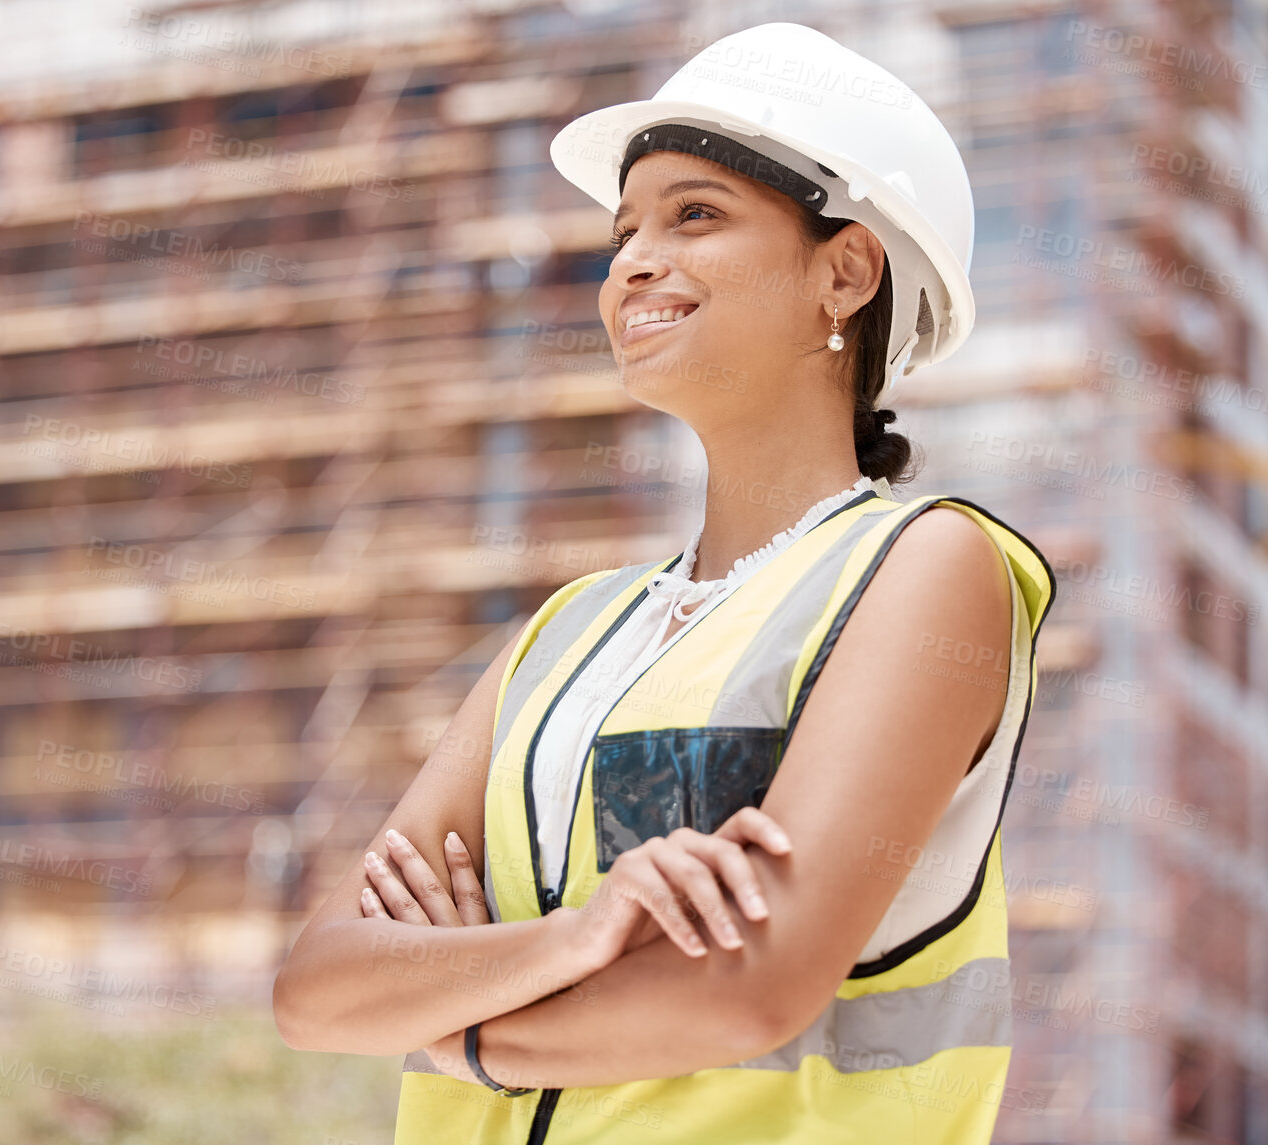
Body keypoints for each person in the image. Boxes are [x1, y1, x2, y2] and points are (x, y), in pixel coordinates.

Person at [273, 21, 1057, 1144]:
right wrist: (575, 938)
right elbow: (316, 987)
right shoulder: (567, 633)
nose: (634, 260)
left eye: (695, 214)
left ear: (842, 271)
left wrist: (455, 1022)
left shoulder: (924, 566)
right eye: (622, 230)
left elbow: (749, 992)